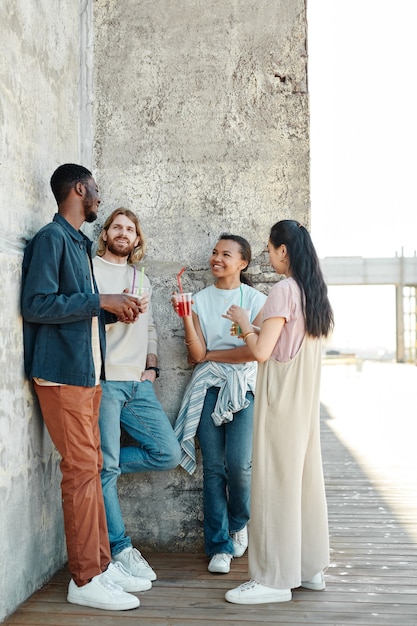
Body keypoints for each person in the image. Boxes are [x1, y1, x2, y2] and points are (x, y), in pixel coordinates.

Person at [21, 164, 153, 612]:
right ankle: (85, 577)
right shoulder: (51, 239)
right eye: (96, 189)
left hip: (86, 375)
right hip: (61, 377)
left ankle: (101, 564)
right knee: (81, 472)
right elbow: (36, 304)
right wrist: (101, 300)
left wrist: (115, 311)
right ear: (81, 189)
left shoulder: (76, 243)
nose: (99, 196)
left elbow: (77, 309)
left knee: (92, 469)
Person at [223, 219, 334, 604]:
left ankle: (272, 579)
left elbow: (261, 351)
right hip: (304, 405)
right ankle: (309, 568)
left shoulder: (284, 289)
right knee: (303, 484)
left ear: (282, 250)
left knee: (272, 487)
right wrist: (251, 329)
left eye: (269, 249)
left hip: (280, 399)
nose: (268, 256)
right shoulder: (314, 293)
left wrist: (241, 321)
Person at [93, 207, 181, 581]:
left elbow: (150, 329)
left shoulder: (140, 277)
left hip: (138, 385)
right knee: (107, 467)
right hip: (106, 382)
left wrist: (152, 366)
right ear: (106, 234)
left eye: (130, 229)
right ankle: (121, 548)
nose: (123, 233)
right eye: (117, 227)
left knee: (168, 453)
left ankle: (98, 470)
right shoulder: (91, 270)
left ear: (137, 238)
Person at [173, 234, 267, 574]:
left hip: (243, 387)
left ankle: (238, 521)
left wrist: (214, 354)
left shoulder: (257, 300)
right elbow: (196, 356)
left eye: (225, 254)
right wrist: (186, 315)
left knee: (240, 465)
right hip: (209, 387)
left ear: (242, 263)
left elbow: (255, 352)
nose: (216, 258)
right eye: (214, 252)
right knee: (213, 469)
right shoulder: (198, 299)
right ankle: (219, 546)